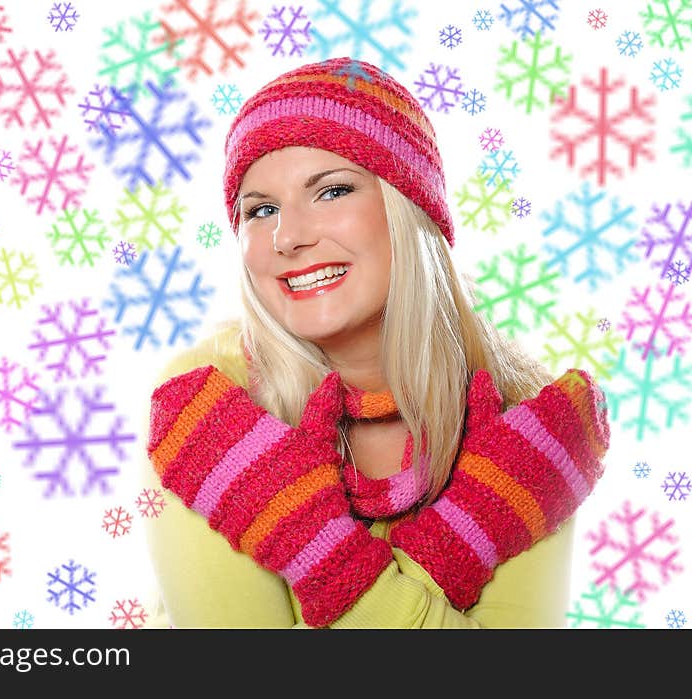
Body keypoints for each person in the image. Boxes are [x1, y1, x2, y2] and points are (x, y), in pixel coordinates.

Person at [141, 57, 611, 628]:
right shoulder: (206, 409)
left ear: (409, 207)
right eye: (260, 210)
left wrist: (324, 559)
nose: (287, 237)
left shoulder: (526, 425)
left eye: (332, 191)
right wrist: (456, 550)